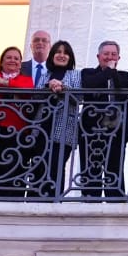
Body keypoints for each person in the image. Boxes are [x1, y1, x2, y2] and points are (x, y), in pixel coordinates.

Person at [78, 40, 128, 200]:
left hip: (117, 130)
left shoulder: (124, 76)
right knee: (91, 168)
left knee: (115, 168)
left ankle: (116, 204)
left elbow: (124, 90)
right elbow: (90, 85)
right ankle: (90, 202)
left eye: (113, 54)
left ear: (119, 58)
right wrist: (108, 71)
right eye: (106, 54)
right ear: (98, 56)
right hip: (90, 130)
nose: (110, 57)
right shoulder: (88, 73)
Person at [0, 46, 36, 199]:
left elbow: (27, 89)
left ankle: (12, 202)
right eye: (9, 57)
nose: (12, 60)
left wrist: (5, 83)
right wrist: (4, 83)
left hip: (18, 131)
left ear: (20, 63)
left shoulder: (25, 78)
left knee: (15, 167)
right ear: (2, 62)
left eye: (16, 58)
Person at [33, 40, 81, 198]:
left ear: (70, 57)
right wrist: (48, 87)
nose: (61, 55)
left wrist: (63, 88)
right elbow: (35, 97)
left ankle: (54, 201)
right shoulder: (45, 75)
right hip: (42, 128)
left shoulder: (75, 74)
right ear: (52, 56)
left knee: (56, 166)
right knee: (39, 166)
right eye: (58, 52)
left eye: (65, 52)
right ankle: (36, 202)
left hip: (63, 129)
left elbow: (79, 98)